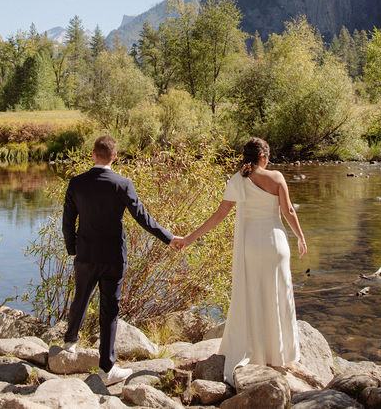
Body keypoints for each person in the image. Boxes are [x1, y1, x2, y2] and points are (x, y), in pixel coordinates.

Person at [172, 137, 307, 383]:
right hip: (275, 243)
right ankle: (277, 354)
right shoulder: (276, 177)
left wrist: (189, 239)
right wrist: (300, 237)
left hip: (251, 246)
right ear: (264, 157)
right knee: (277, 294)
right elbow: (288, 211)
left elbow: (219, 215)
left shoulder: (237, 180)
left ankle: (254, 350)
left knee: (252, 296)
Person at [61, 134, 175, 385]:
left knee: (81, 296)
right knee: (109, 310)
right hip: (113, 256)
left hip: (86, 254)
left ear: (92, 154)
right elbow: (142, 218)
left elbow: (68, 221)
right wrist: (169, 238)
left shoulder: (77, 183)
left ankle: (69, 343)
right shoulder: (122, 184)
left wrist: (73, 249)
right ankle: (107, 367)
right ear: (115, 156)